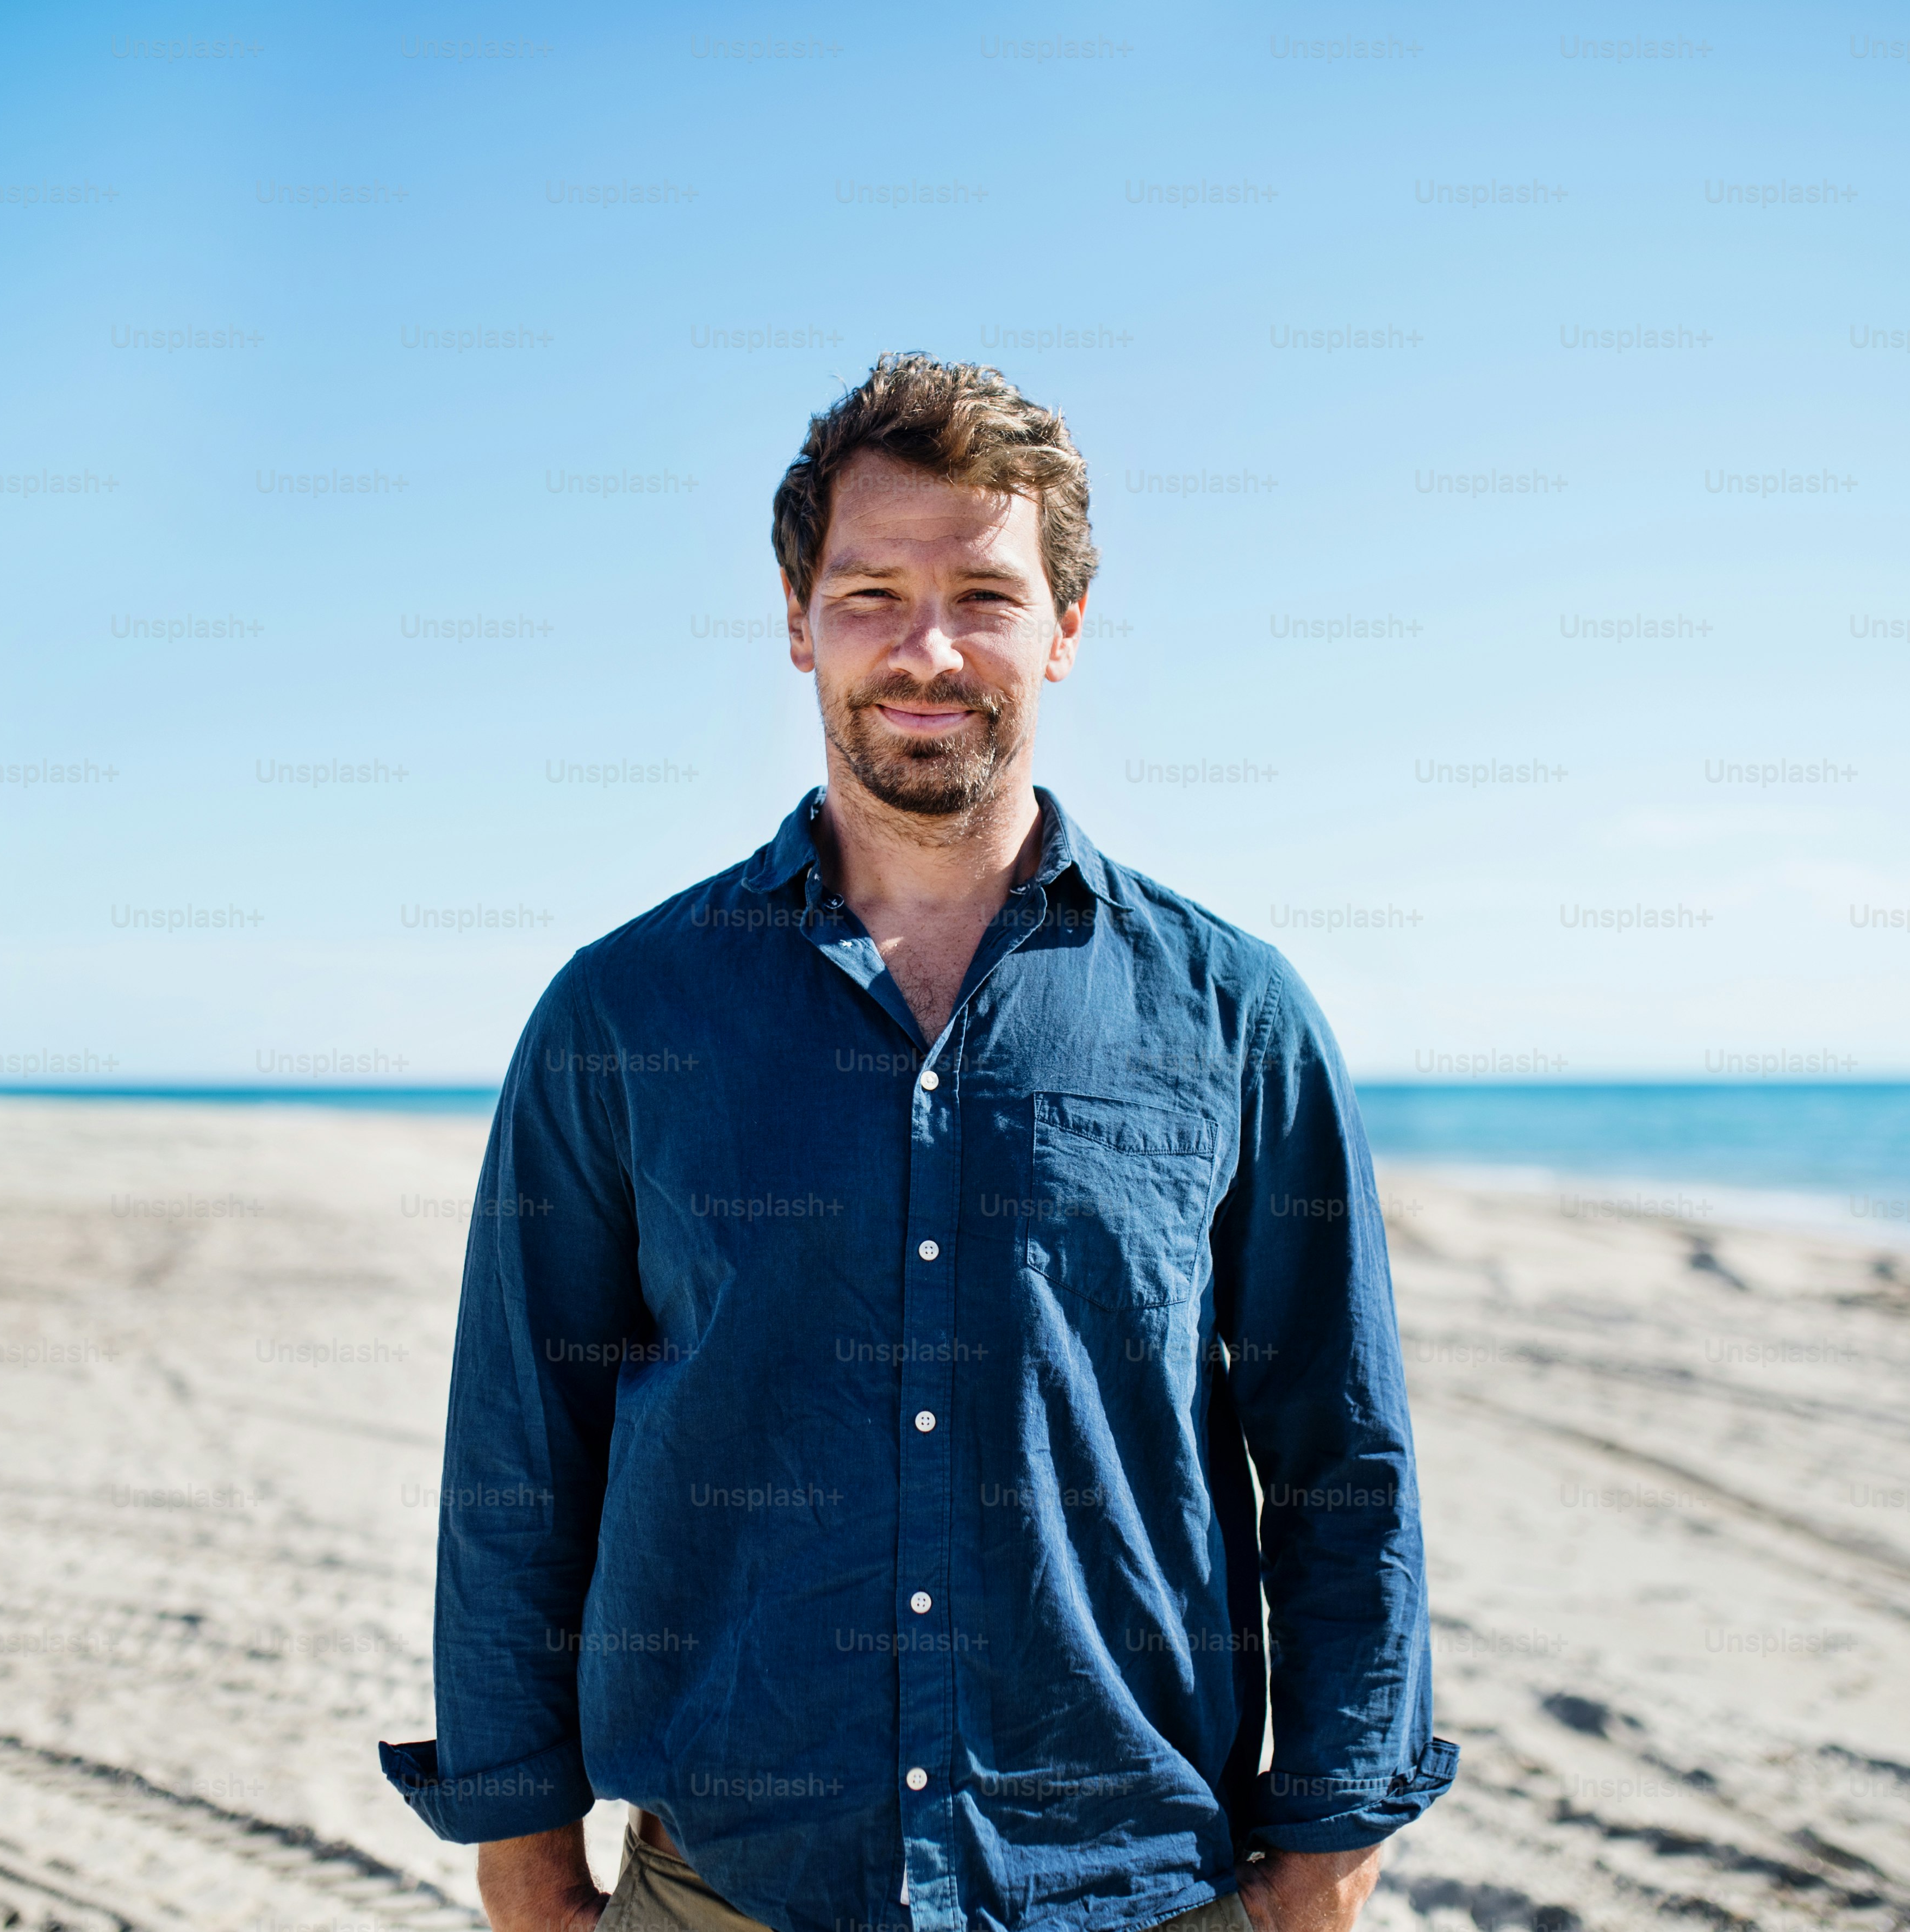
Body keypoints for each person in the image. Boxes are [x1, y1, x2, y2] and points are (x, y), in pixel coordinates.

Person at [383, 353, 1452, 1932]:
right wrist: (522, 1850)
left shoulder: (1233, 1014)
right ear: (797, 625)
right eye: (871, 592)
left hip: (1139, 1891)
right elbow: (518, 1460)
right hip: (729, 1889)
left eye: (985, 594)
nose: (926, 648)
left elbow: (1337, 1459)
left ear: (1066, 630)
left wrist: (1331, 1845)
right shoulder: (625, 1014)